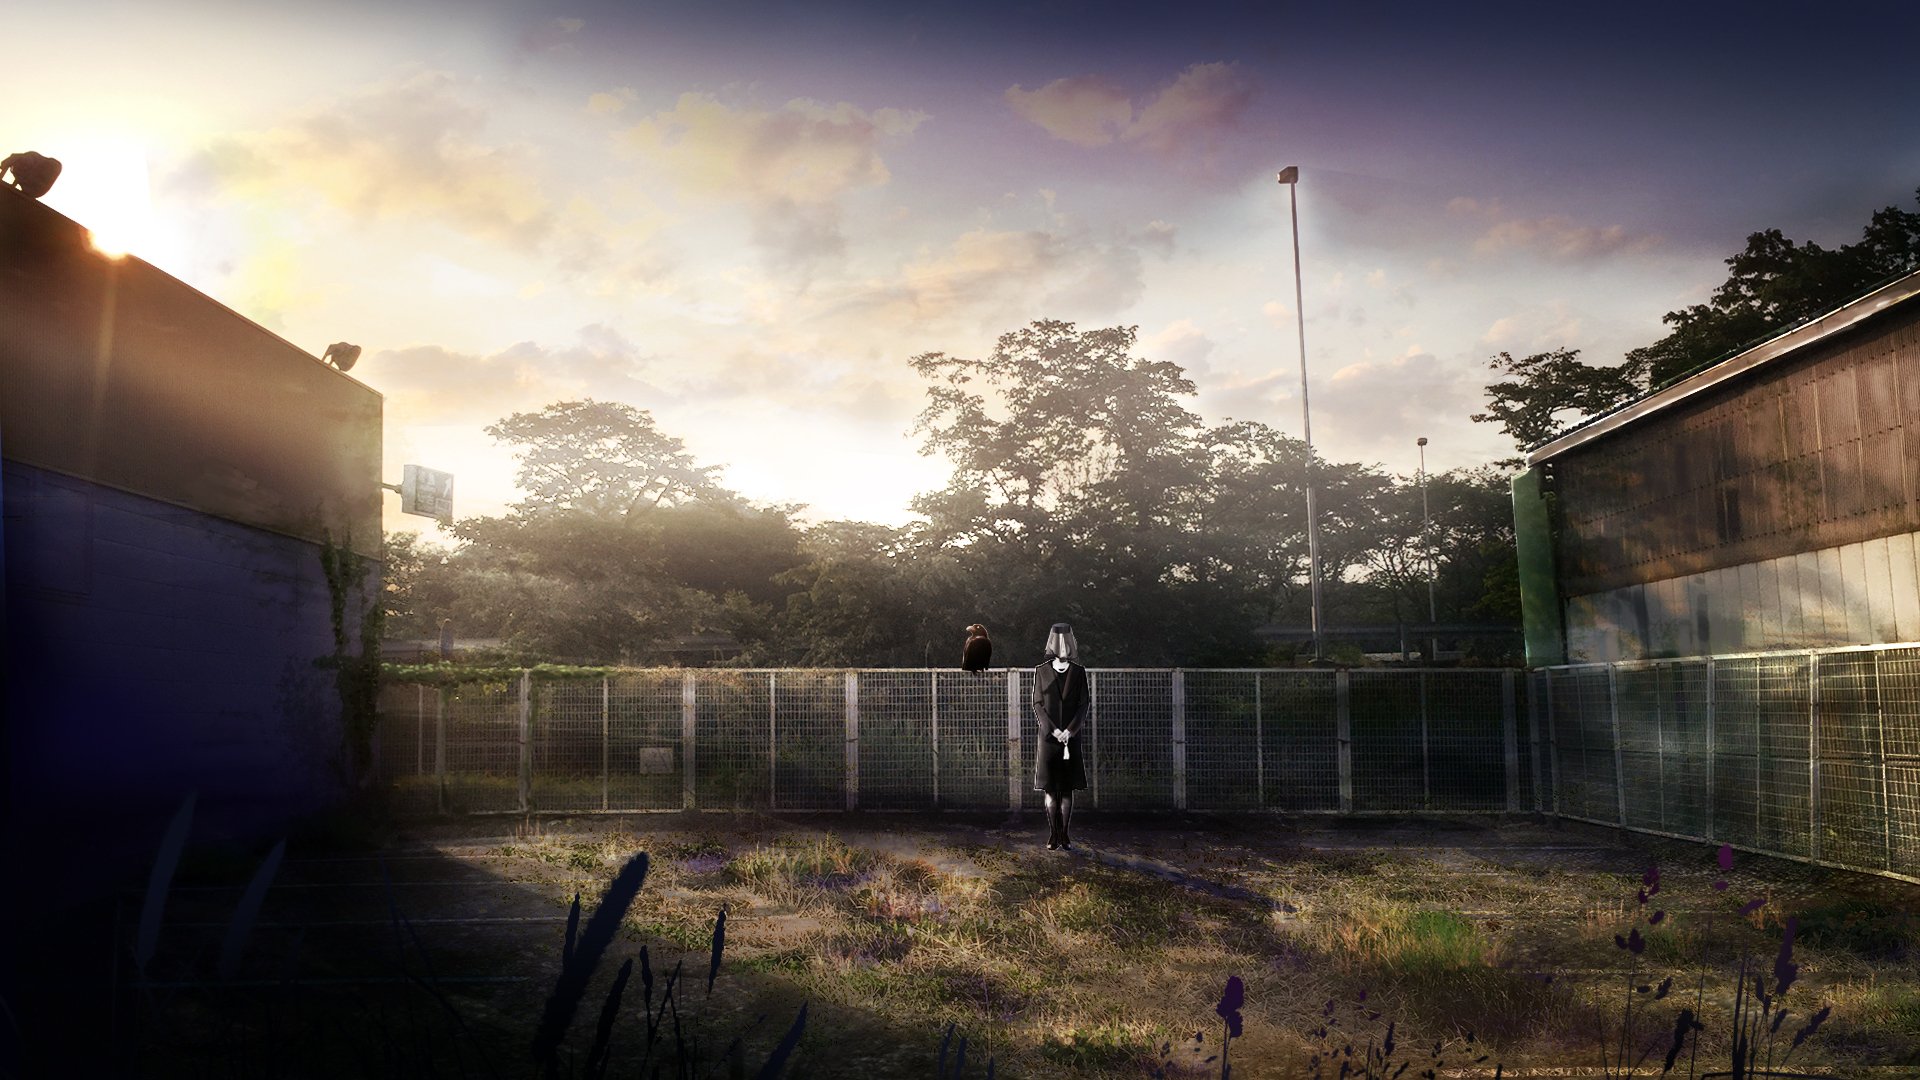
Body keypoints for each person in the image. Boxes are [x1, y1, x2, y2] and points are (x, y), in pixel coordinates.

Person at [1032, 622, 1088, 850]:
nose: (1063, 647)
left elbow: (1083, 704)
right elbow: (1037, 704)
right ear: (1053, 644)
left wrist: (1070, 731)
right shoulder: (1041, 671)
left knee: (1066, 789)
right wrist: (1053, 729)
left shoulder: (1079, 672)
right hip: (1048, 739)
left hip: (1070, 740)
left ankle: (1064, 834)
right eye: (1059, 642)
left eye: (1067, 642)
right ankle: (1053, 834)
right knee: (1050, 789)